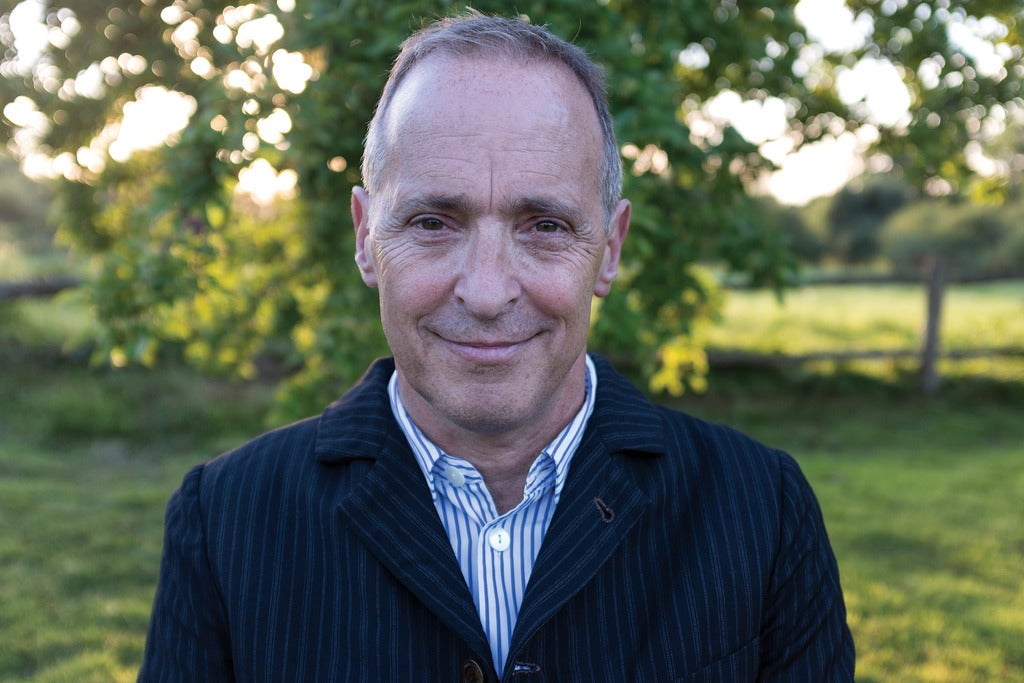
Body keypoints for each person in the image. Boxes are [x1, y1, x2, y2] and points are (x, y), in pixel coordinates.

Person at [139, 12, 854, 682]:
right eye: (432, 222)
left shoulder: (762, 511)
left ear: (609, 249)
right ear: (365, 236)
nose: (486, 292)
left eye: (545, 225)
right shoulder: (225, 520)